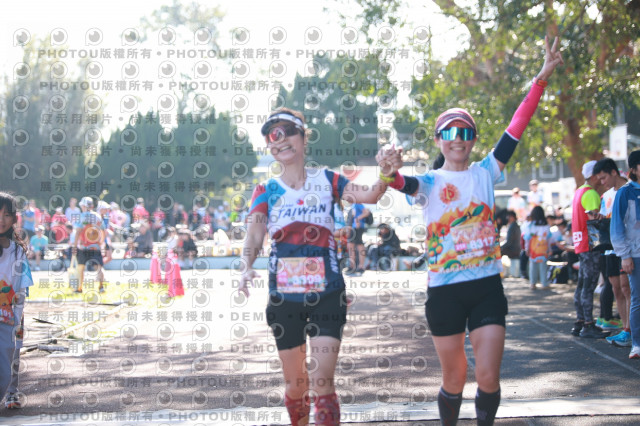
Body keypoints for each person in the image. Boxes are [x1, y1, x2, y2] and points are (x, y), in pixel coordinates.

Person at [379, 36, 563, 425]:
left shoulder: (486, 172)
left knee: (488, 376)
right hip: (444, 292)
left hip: (486, 289)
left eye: (465, 133)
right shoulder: (429, 183)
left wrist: (542, 78)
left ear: (474, 140)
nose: (458, 140)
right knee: (454, 378)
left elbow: (516, 127)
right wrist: (388, 171)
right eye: (449, 133)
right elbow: (400, 183)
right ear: (438, 141)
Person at [240, 107, 394, 426]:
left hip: (328, 294)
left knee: (323, 382)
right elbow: (254, 234)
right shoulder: (265, 190)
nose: (280, 139)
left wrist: (387, 174)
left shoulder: (327, 180)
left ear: (303, 137)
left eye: (287, 131)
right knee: (296, 387)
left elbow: (370, 196)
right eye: (272, 135)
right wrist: (245, 266)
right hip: (285, 299)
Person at [0, 192, 34, 409]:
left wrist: (17, 314)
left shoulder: (17, 252)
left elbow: (22, 287)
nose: (1, 220)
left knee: (12, 352)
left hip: (10, 314)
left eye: (6, 215)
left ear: (14, 218)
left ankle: (12, 391)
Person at [593, 158, 632, 345]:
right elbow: (605, 217)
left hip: (627, 247)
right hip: (609, 249)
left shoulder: (631, 190)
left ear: (614, 172)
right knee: (616, 288)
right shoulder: (606, 196)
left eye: (604, 178)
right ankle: (625, 329)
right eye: (599, 179)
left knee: (626, 287)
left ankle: (631, 329)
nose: (602, 182)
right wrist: (599, 218)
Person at [570, 160, 609, 338]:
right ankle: (588, 325)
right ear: (593, 176)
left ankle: (580, 322)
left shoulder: (579, 192)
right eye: (599, 174)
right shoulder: (591, 193)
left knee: (581, 285)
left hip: (581, 244)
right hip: (590, 245)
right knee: (589, 286)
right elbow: (594, 220)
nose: (601, 178)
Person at [610, 150, 640, 359]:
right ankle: (637, 343)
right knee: (637, 298)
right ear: (633, 169)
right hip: (635, 254)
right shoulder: (624, 193)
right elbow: (616, 227)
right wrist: (625, 256)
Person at [72, 197, 104, 293]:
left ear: (84, 206)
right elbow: (103, 231)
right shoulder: (98, 216)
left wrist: (74, 246)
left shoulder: (81, 217)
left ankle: (79, 288)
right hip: (95, 246)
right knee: (98, 267)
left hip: (83, 246)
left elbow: (78, 232)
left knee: (81, 267)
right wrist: (101, 243)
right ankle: (101, 287)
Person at [523, 206, 551, 289]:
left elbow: (527, 238)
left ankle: (533, 283)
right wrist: (549, 248)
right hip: (543, 248)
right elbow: (548, 238)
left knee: (533, 266)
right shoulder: (546, 225)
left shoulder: (531, 225)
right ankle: (544, 283)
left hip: (533, 249)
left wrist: (526, 248)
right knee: (543, 266)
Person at [346, 203, 372, 276]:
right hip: (354, 228)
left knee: (357, 246)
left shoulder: (357, 203)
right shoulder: (354, 204)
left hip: (357, 227)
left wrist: (358, 219)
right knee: (353, 246)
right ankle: (354, 266)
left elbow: (366, 212)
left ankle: (359, 266)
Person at [500, 210, 521, 278]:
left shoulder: (513, 226)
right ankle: (504, 272)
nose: (507, 218)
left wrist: (501, 247)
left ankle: (501, 272)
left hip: (513, 249)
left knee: (499, 252)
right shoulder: (515, 225)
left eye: (508, 216)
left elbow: (509, 242)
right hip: (516, 248)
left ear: (512, 217)